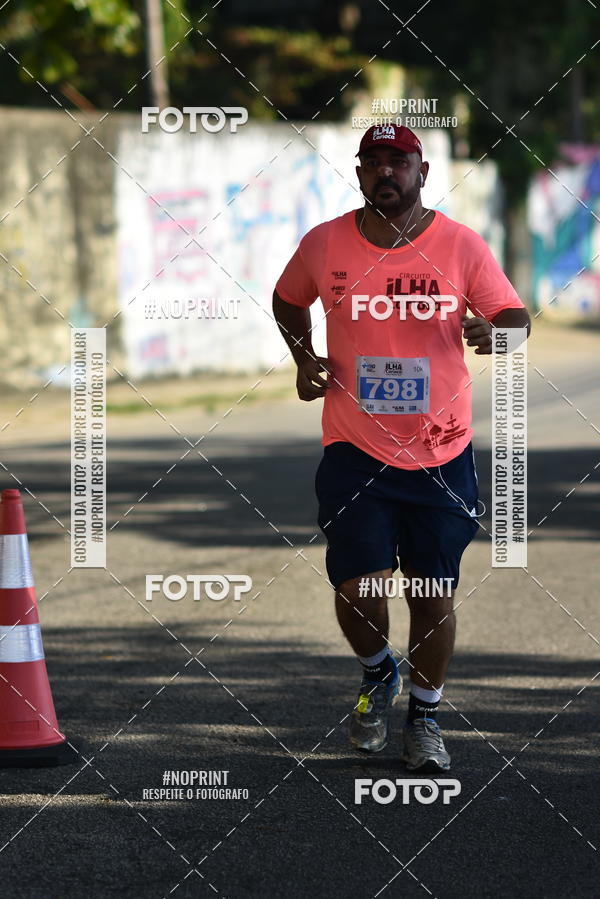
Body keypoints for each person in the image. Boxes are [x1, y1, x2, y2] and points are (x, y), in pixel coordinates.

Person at [272, 123, 530, 772]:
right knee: (358, 587)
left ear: (421, 172)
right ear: (359, 172)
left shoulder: (460, 245)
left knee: (432, 590)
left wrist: (493, 333)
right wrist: (305, 358)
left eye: (399, 162)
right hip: (355, 450)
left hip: (441, 456)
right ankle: (378, 670)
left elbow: (514, 317)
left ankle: (425, 715)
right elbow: (286, 298)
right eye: (374, 162)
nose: (386, 172)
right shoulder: (325, 241)